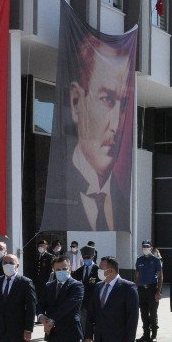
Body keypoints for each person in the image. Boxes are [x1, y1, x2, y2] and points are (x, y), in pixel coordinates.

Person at [45, 29, 134, 232]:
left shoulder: (121, 199)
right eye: (107, 99)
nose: (116, 125)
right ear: (76, 101)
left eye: (125, 103)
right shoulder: (57, 184)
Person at [72, 246, 101, 342]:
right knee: (84, 326)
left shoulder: (98, 271)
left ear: (93, 257)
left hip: (96, 304)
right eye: (84, 257)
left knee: (97, 326)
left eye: (88, 257)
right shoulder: (79, 271)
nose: (86, 259)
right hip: (83, 304)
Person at [134, 240, 162, 342]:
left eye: (147, 247)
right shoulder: (139, 260)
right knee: (144, 313)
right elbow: (137, 275)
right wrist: (135, 289)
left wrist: (158, 291)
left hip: (152, 289)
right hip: (142, 289)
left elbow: (160, 276)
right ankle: (146, 335)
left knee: (153, 313)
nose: (145, 248)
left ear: (151, 247)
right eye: (143, 247)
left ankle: (154, 335)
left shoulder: (155, 260)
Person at [33, 239, 55, 304]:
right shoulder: (37, 256)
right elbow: (35, 269)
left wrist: (48, 280)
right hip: (37, 281)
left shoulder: (49, 256)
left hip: (45, 280)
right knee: (38, 296)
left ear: (46, 246)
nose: (40, 247)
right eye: (39, 246)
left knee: (45, 296)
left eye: (42, 245)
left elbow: (50, 270)